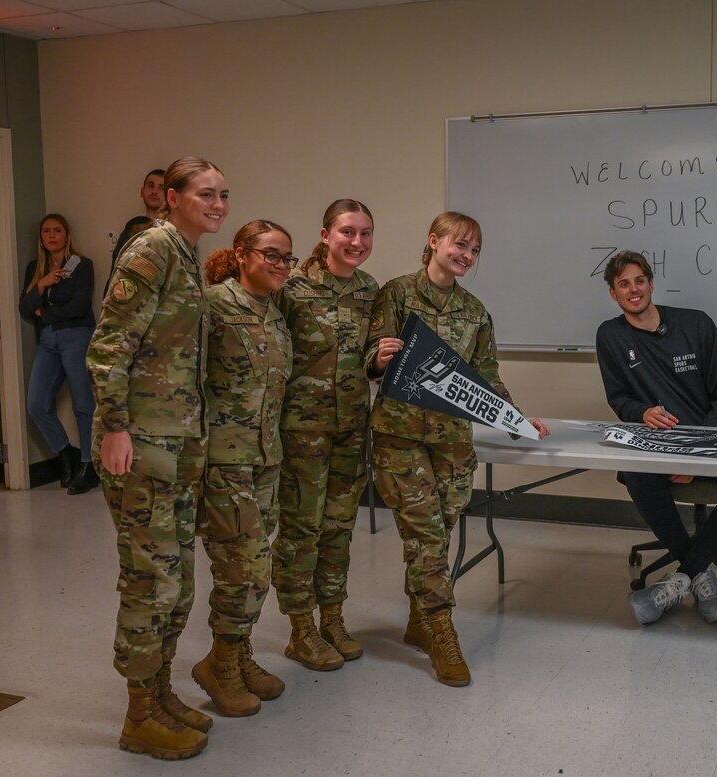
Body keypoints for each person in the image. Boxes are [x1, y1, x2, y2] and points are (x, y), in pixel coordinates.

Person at [365, 211, 550, 687]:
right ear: (434, 241)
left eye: (474, 250)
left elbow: (486, 377)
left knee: (440, 531)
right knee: (426, 537)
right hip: (401, 437)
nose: (467, 255)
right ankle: (443, 632)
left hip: (451, 441)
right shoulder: (397, 294)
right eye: (460, 245)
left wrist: (517, 423)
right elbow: (371, 353)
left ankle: (416, 620)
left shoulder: (475, 311)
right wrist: (378, 358)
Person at [87, 156, 228, 760]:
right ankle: (137, 715)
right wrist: (115, 426)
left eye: (224, 194)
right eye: (205, 193)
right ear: (171, 197)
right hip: (140, 442)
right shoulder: (151, 250)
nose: (219, 203)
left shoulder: (187, 257)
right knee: (150, 579)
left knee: (177, 579)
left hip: (176, 444)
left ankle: (161, 691)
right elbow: (110, 343)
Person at [595, 250, 717, 626]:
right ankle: (699, 573)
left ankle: (680, 578)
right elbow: (619, 398)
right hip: (665, 445)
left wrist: (696, 457)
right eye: (623, 284)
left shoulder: (696, 324)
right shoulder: (610, 336)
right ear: (613, 294)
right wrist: (640, 412)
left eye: (639, 281)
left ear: (651, 283)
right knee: (635, 471)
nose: (633, 290)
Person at [191, 222, 294, 718]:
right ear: (241, 254)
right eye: (271, 254)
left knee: (255, 569)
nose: (280, 264)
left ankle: (236, 653)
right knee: (245, 567)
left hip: (265, 460)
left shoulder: (275, 316)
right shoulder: (212, 306)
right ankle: (221, 666)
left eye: (287, 258)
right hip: (224, 462)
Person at [271, 200, 378, 672]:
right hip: (303, 431)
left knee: (338, 528)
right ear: (325, 234)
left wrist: (381, 358)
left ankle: (332, 617)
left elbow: (369, 357)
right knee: (302, 529)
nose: (357, 242)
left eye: (366, 233)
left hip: (352, 427)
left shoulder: (370, 289)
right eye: (347, 232)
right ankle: (300, 628)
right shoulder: (291, 288)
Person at [17, 213, 98, 494]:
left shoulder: (82, 265)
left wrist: (45, 312)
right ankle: (68, 455)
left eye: (57, 230)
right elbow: (25, 308)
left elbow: (78, 308)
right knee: (36, 404)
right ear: (40, 237)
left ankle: (89, 465)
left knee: (82, 404)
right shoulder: (34, 268)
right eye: (46, 231)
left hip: (76, 336)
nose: (52, 236)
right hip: (48, 340)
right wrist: (42, 283)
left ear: (66, 235)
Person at [111, 168, 165, 265]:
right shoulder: (132, 228)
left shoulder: (175, 230)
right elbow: (117, 267)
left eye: (161, 188)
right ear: (142, 192)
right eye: (151, 186)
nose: (154, 191)